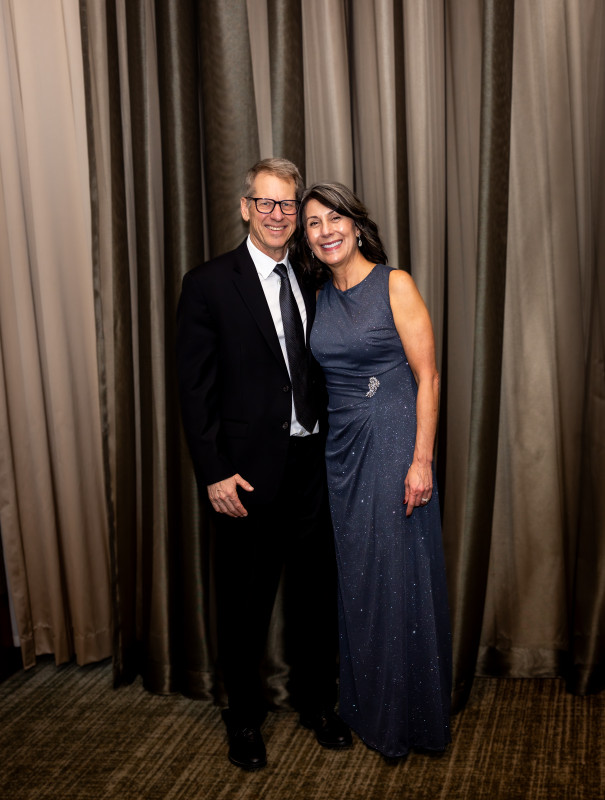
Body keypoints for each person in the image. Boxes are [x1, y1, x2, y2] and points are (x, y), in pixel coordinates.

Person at [176, 159, 351, 771]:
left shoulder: (312, 273)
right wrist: (214, 471)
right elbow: (194, 390)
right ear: (245, 207)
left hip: (312, 465)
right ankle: (244, 718)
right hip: (245, 475)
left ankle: (317, 703)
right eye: (266, 203)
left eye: (287, 204)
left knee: (315, 597)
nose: (278, 215)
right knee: (245, 605)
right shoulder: (208, 283)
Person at [291, 182, 452, 760]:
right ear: (307, 237)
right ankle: (366, 704)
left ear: (356, 226)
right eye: (313, 223)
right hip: (340, 451)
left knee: (394, 574)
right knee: (358, 579)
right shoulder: (317, 295)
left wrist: (421, 461)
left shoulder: (394, 283)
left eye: (335, 218)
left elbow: (428, 377)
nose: (326, 231)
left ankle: (409, 715)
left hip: (392, 442)